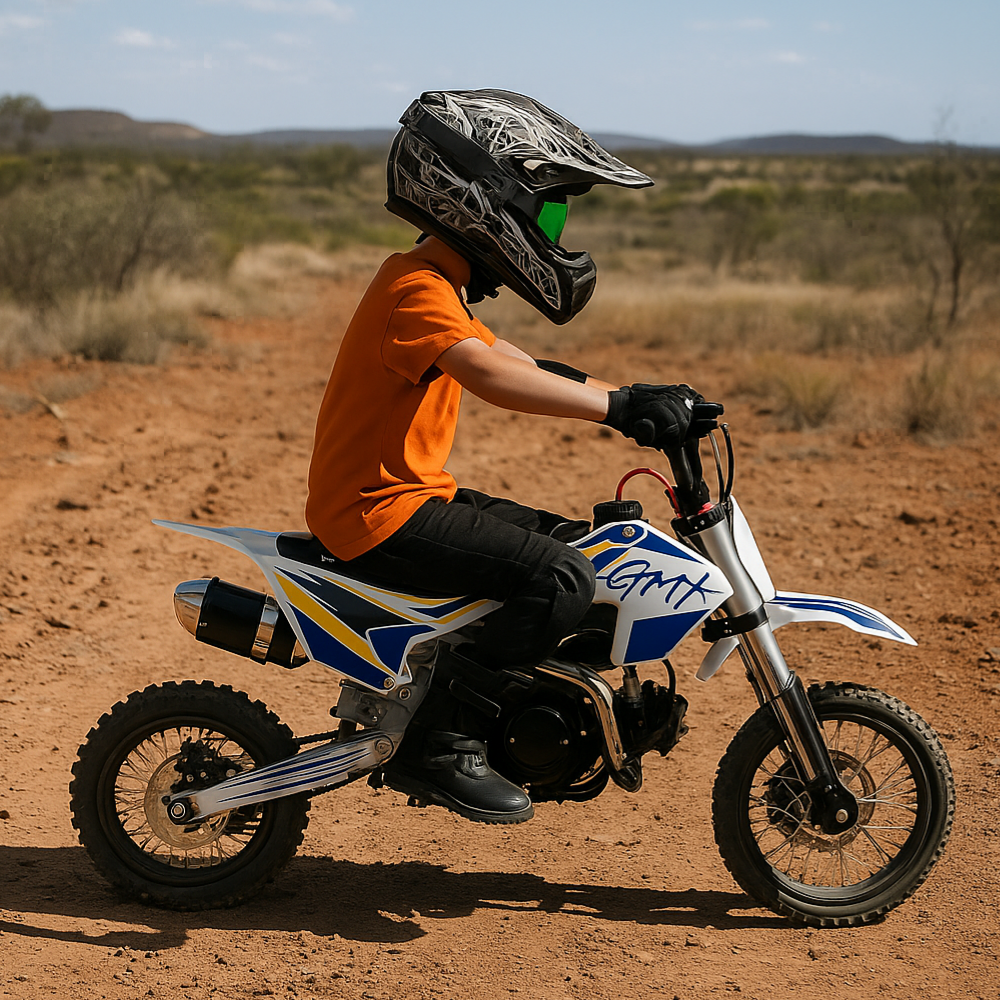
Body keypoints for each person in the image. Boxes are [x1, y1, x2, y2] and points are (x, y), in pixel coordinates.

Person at [305, 89, 721, 824]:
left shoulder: (434, 288)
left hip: (410, 500)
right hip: (378, 517)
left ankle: (550, 703)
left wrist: (638, 398)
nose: (554, 228)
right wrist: (619, 410)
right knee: (560, 575)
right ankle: (444, 738)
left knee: (579, 549)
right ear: (487, 201)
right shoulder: (417, 289)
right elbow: (495, 378)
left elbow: (530, 365)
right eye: (551, 210)